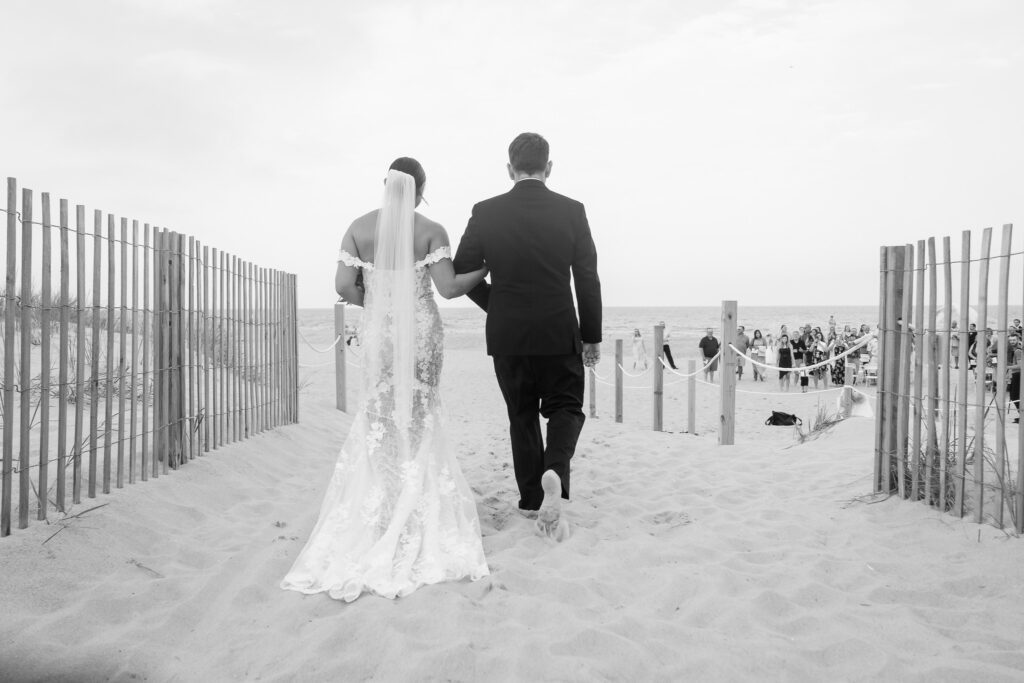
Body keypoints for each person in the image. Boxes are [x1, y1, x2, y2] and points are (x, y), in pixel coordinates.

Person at [281, 159, 490, 602]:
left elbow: (343, 285)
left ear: (385, 186)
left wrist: (375, 301)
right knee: (421, 414)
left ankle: (383, 504)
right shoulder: (431, 229)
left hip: (380, 332)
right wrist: (486, 269)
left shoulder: (358, 228)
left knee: (378, 414)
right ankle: (418, 502)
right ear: (421, 188)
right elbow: (450, 289)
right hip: (421, 329)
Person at [454, 132, 602, 540]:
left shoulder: (485, 212)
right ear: (548, 167)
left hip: (509, 334)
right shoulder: (572, 211)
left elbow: (463, 275)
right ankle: (555, 468)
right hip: (559, 330)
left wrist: (498, 303)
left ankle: (532, 499)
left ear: (509, 169)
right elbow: (587, 277)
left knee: (521, 416)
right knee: (567, 406)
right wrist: (591, 335)